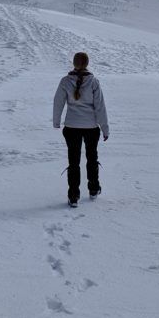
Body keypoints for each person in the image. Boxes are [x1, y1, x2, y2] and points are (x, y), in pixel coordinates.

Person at [52, 51, 109, 207]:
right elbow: (100, 107)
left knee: (73, 161)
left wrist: (56, 122)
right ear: (87, 63)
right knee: (92, 158)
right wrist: (105, 128)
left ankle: (73, 195)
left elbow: (58, 102)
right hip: (91, 127)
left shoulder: (65, 81)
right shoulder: (93, 82)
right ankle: (93, 189)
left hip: (71, 126)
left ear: (74, 63)